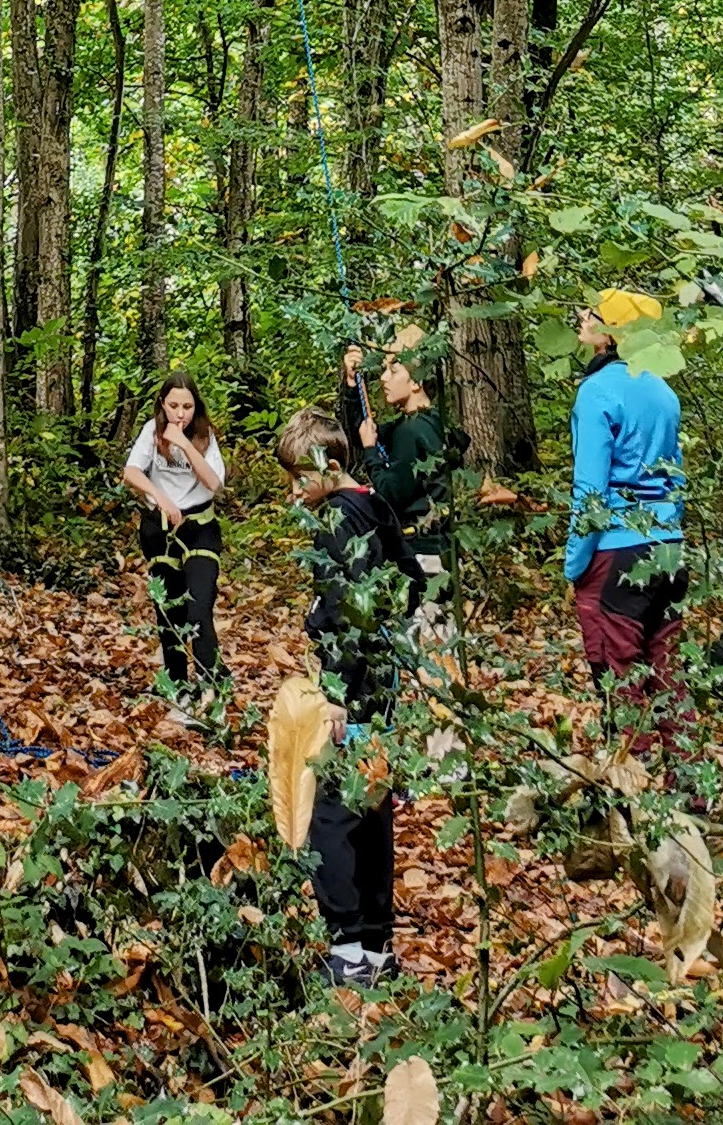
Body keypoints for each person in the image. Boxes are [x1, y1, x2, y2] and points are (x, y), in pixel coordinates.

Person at [275, 407, 413, 994]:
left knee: (330, 813)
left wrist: (335, 692)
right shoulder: (375, 506)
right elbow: (408, 580)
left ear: (327, 467)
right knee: (372, 800)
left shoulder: (337, 517)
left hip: (351, 691)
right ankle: (379, 941)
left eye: (297, 476)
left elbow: (343, 607)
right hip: (383, 681)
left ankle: (350, 942)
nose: (292, 489)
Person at [565, 288, 690, 777]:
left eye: (592, 313)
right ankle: (690, 794)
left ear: (612, 333)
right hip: (668, 548)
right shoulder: (664, 390)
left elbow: (590, 493)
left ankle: (633, 801)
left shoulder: (596, 391)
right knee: (667, 673)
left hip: (615, 552)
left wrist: (575, 562)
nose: (582, 316)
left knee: (618, 678)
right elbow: (673, 476)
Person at [119, 373, 225, 695]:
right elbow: (131, 472)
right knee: (169, 610)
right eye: (174, 406)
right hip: (160, 529)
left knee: (199, 607)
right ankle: (176, 683)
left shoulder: (204, 434)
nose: (181, 414)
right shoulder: (151, 431)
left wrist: (184, 444)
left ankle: (210, 685)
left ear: (197, 406)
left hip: (199, 530)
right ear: (163, 405)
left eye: (188, 406)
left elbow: (215, 483)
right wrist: (161, 498)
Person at [368, 336, 452, 642]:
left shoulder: (411, 432)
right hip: (440, 548)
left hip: (422, 551)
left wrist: (370, 454)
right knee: (439, 632)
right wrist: (354, 390)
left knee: (423, 638)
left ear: (416, 382)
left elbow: (391, 492)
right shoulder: (431, 423)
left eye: (394, 370)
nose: (383, 378)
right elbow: (371, 431)